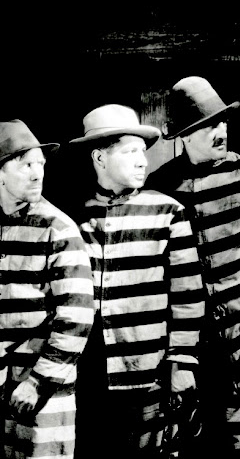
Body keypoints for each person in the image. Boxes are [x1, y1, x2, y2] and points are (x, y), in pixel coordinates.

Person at [145, 76, 240, 457]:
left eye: (222, 122)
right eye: (209, 126)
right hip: (186, 343)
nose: (221, 132)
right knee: (188, 439)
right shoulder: (162, 186)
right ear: (185, 135)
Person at [68, 104, 206, 459]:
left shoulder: (168, 212)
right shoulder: (75, 216)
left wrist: (181, 361)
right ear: (100, 158)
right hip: (88, 374)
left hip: (146, 371)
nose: (143, 162)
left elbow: (188, 295)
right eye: (131, 152)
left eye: (143, 152)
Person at [0, 120, 94, 459]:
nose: (37, 173)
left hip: (40, 390)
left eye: (40, 164)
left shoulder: (59, 228)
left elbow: (77, 316)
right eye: (26, 164)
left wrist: (38, 382)